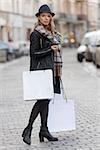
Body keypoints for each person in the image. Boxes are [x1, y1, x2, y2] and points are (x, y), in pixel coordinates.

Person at [22, 4, 62, 145]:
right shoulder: (36, 34)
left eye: (48, 16)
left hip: (50, 70)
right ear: (39, 18)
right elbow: (33, 54)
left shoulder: (51, 34)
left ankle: (44, 129)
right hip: (40, 71)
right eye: (43, 16)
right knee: (42, 101)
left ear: (50, 18)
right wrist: (50, 49)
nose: (46, 18)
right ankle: (28, 128)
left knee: (46, 100)